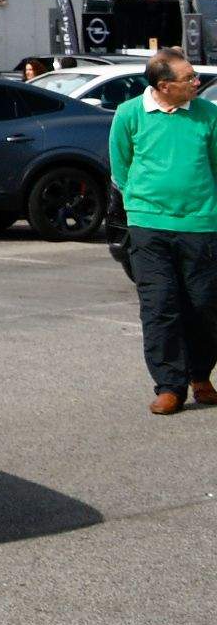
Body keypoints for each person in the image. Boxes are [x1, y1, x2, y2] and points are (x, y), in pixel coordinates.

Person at [106, 52, 217, 416]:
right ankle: (170, 386)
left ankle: (200, 376)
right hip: (149, 226)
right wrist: (141, 203)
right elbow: (120, 166)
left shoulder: (208, 115)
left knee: (204, 304)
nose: (196, 82)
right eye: (188, 78)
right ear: (163, 85)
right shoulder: (129, 114)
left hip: (201, 225)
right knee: (160, 306)